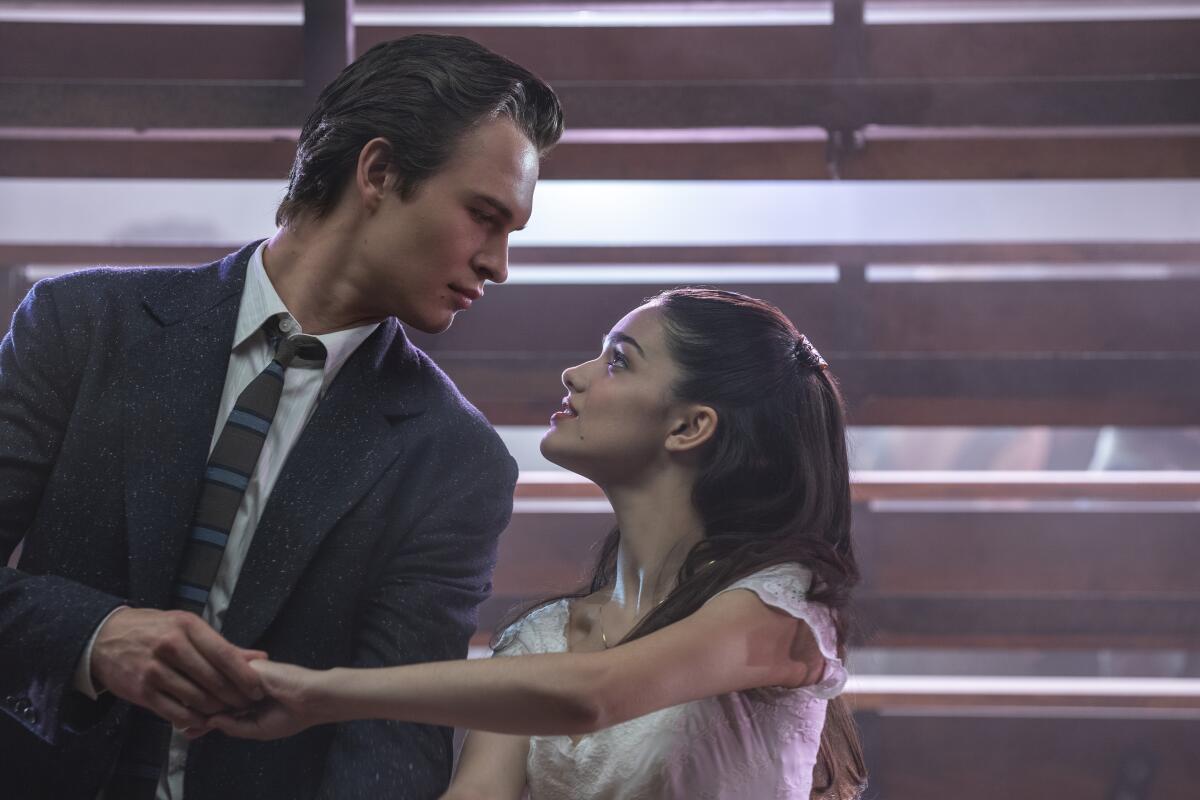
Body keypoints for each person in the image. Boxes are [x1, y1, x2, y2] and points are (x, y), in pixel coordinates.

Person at [0, 34, 562, 799]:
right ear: (380, 171)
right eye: (484, 216)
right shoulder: (83, 323)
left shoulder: (457, 459)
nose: (498, 262)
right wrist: (93, 637)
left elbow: (392, 741)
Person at [204, 288, 868, 799]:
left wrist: (323, 695)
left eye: (617, 361)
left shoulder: (786, 605)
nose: (575, 374)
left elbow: (595, 694)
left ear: (690, 426)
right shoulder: (545, 639)